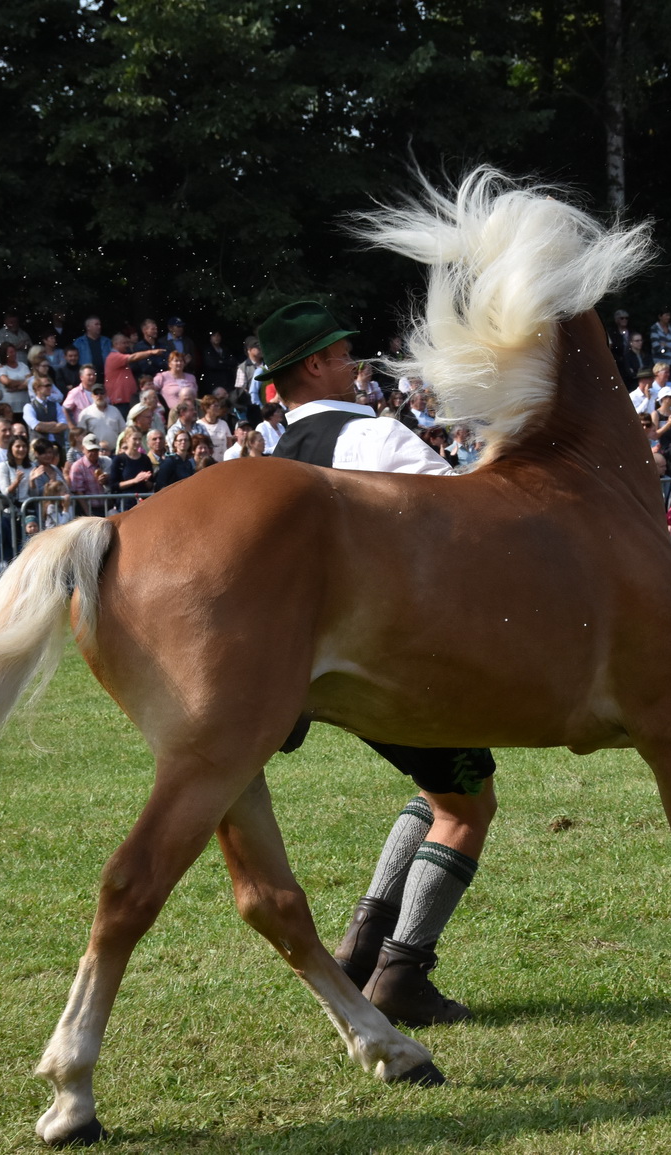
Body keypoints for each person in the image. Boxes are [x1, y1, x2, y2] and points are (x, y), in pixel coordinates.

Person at [260, 299, 485, 1028]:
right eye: (345, 352)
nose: (357, 365)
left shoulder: (263, 462)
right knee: (468, 801)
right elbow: (461, 519)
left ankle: (362, 940)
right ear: (316, 365)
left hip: (301, 673)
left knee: (441, 785)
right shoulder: (376, 436)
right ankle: (402, 971)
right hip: (387, 656)